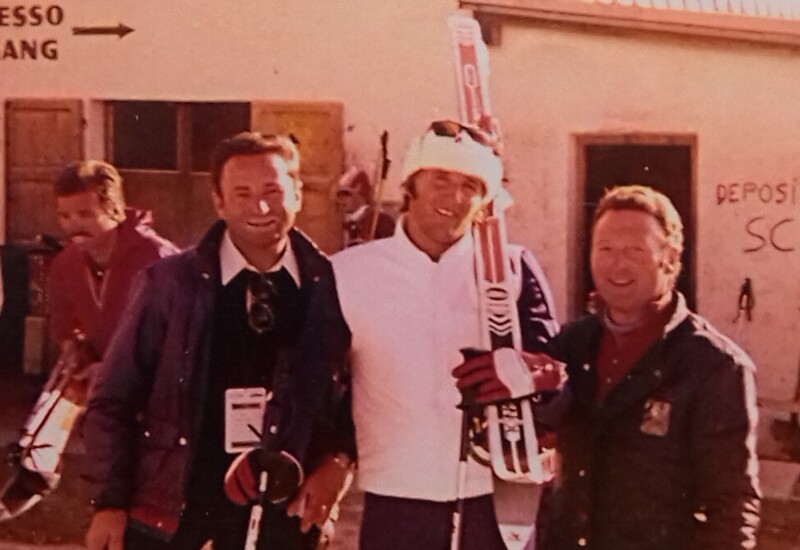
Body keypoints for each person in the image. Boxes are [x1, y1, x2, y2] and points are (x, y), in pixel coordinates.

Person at [82, 132, 354, 550]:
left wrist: (339, 463)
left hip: (284, 514)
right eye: (242, 193)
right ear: (219, 202)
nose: (260, 207)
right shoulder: (169, 284)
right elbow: (113, 399)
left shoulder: (333, 285)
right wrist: (110, 503)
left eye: (273, 191)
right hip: (175, 509)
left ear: (298, 194)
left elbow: (355, 396)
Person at [458, 184, 761, 549]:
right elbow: (524, 438)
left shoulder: (714, 366)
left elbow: (732, 505)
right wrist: (502, 393)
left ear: (671, 257)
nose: (618, 264)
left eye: (635, 250)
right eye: (606, 249)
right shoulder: (572, 344)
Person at [331, 120, 559, 549]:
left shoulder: (511, 269)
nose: (453, 197)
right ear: (410, 186)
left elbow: (553, 375)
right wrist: (335, 457)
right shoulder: (350, 271)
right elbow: (324, 384)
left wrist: (536, 376)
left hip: (494, 498)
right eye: (440, 179)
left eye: (470, 185)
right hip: (395, 497)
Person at [48, 160, 178, 365]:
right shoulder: (65, 264)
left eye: (85, 214)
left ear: (116, 211)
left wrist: (115, 372)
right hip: (102, 378)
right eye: (65, 216)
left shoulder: (159, 261)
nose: (74, 225)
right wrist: (73, 349)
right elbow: (65, 326)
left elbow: (178, 340)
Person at [335, 167, 394, 247]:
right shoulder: (341, 223)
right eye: (340, 195)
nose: (342, 200)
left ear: (361, 194)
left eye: (347, 194)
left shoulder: (380, 221)